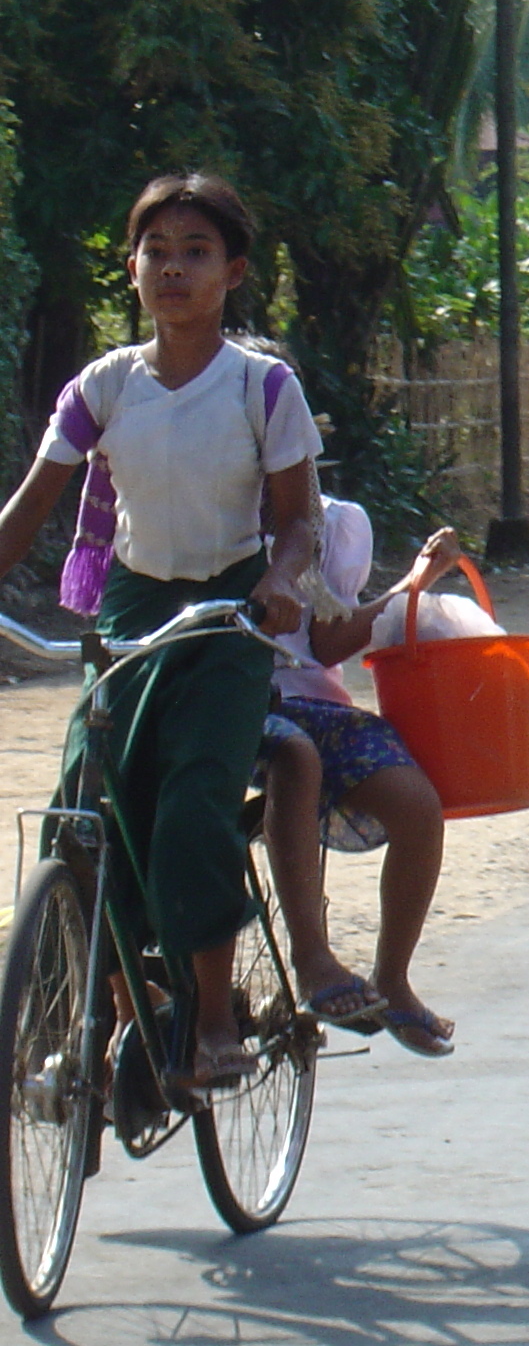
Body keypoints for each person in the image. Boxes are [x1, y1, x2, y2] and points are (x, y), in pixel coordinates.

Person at [0, 173, 322, 1094]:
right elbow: (30, 508)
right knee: (81, 814)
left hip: (228, 616)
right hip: (133, 612)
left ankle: (216, 1023)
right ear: (131, 269)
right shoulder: (102, 387)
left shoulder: (264, 388)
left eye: (197, 252)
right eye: (158, 252)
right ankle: (92, 1011)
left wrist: (280, 579)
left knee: (190, 804)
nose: (174, 269)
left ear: (233, 273)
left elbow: (298, 520)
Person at [262, 503, 470, 1056]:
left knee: (417, 806)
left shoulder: (326, 524)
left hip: (309, 704)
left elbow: (327, 642)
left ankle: (392, 976)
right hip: (221, 697)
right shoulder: (201, 510)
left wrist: (413, 584)